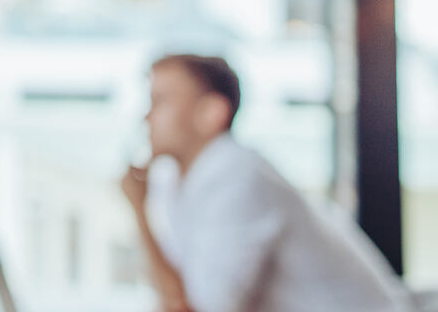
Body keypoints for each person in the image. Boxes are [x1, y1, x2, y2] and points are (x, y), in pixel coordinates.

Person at [120, 53, 414, 312]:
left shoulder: (237, 176)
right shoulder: (174, 180)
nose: (146, 115)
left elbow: (199, 308)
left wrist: (138, 212)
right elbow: (173, 295)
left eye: (160, 101)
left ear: (211, 113)